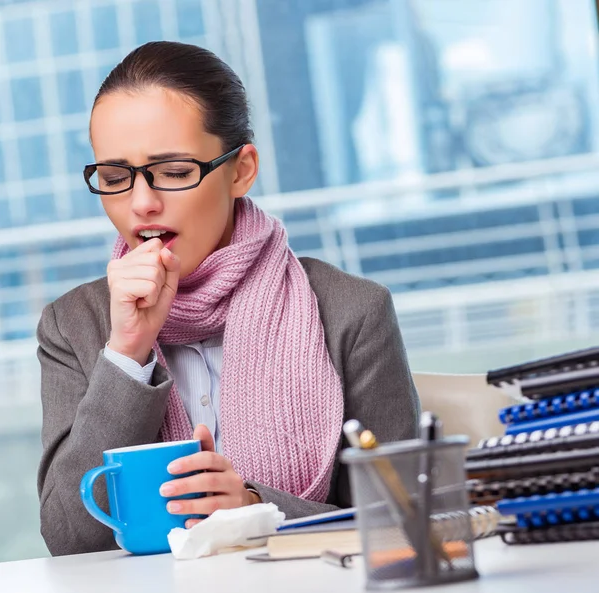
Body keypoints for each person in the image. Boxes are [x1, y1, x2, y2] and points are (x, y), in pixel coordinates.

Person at [37, 41, 420, 556]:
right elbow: (68, 539)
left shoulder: (352, 311)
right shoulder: (74, 325)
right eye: (114, 178)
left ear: (241, 170)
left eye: (173, 172)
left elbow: (408, 518)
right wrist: (126, 352)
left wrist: (258, 508)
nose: (142, 203)